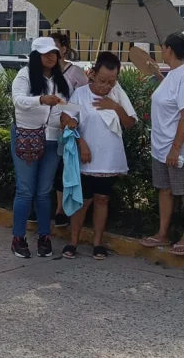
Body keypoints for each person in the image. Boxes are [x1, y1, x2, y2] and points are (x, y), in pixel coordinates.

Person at [60, 52, 136, 260]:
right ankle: (73, 241)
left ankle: (97, 243)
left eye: (111, 82)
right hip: (87, 156)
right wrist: (80, 141)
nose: (106, 86)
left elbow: (130, 123)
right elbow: (66, 119)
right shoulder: (81, 94)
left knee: (102, 199)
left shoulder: (117, 94)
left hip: (109, 158)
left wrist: (116, 107)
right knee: (83, 200)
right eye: (102, 80)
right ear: (92, 74)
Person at [8, 37, 71, 258]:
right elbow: (18, 101)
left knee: (45, 191)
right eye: (46, 53)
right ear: (36, 56)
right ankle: (18, 238)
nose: (51, 56)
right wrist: (41, 100)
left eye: (54, 52)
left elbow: (65, 108)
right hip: (26, 137)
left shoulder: (60, 80)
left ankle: (45, 236)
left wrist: (67, 119)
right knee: (25, 190)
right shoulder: (24, 75)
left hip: (53, 139)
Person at [141, 32, 184, 256]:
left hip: (180, 148)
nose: (161, 51)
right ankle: (162, 234)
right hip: (161, 146)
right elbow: (171, 97)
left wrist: (176, 148)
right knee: (165, 190)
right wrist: (158, 75)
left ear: (168, 50)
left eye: (162, 47)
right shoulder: (175, 74)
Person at [50, 32, 88, 228]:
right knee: (46, 167)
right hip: (46, 127)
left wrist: (68, 111)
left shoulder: (76, 73)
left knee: (64, 168)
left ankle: (61, 209)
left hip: (67, 129)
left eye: (54, 46)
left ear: (63, 49)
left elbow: (84, 100)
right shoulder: (42, 71)